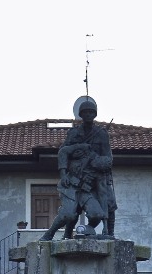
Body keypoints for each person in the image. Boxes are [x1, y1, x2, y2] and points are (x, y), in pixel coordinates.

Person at [40, 98, 117, 241]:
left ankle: (107, 232)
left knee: (110, 203)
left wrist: (94, 160)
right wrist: (65, 173)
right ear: (81, 114)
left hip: (97, 178)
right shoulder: (74, 133)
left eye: (91, 112)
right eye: (85, 112)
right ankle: (64, 233)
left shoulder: (101, 134)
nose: (88, 115)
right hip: (76, 179)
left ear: (95, 114)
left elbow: (108, 159)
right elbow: (64, 152)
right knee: (71, 212)